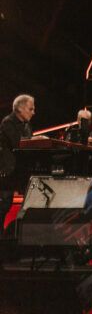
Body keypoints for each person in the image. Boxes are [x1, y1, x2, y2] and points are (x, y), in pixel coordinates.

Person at [0, 94, 35, 232]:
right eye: (30, 109)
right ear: (20, 109)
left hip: (21, 170)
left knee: (29, 202)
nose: (33, 112)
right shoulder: (8, 122)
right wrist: (35, 140)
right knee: (4, 205)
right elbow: (18, 144)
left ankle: (20, 233)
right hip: (8, 171)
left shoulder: (27, 125)